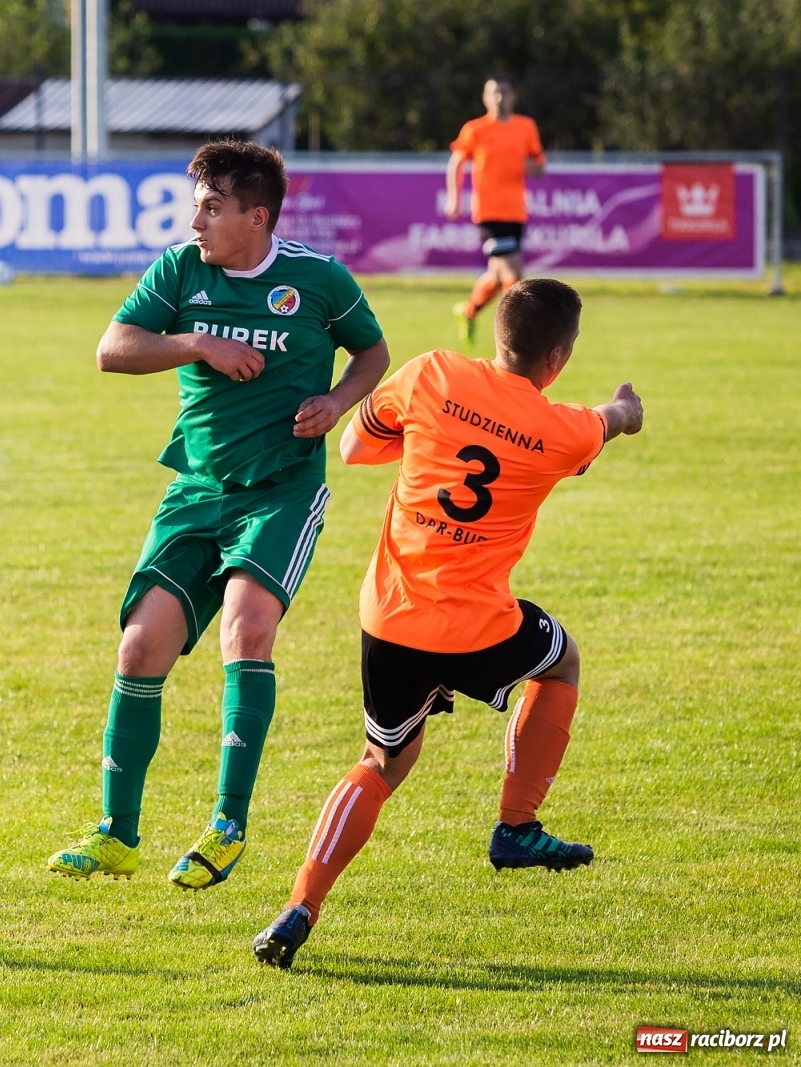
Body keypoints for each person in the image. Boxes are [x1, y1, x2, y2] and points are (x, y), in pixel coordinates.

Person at [251, 278, 644, 969]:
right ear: (557, 357)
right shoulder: (561, 428)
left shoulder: (432, 372)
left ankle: (300, 904)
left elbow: (355, 448)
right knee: (562, 662)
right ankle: (516, 825)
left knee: (382, 761)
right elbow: (609, 420)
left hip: (392, 618)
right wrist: (626, 407)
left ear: (497, 332)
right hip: (479, 627)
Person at [46, 140, 391, 891]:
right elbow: (112, 348)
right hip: (197, 487)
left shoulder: (319, 279)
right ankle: (117, 833)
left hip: (280, 490)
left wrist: (336, 402)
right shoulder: (180, 270)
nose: (194, 219)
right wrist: (197, 341)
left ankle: (227, 825)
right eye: (194, 203)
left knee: (246, 626)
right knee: (140, 648)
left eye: (211, 206)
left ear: (256, 217)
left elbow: (372, 352)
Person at [445, 78, 545, 343]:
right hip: (488, 212)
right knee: (514, 273)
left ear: (513, 96)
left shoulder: (526, 127)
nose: (499, 98)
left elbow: (539, 165)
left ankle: (468, 311)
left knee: (496, 273)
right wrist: (454, 199)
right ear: (485, 98)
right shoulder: (475, 129)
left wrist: (531, 165)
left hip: (516, 211)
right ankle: (514, 334)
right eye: (494, 93)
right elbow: (456, 162)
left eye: (504, 92)